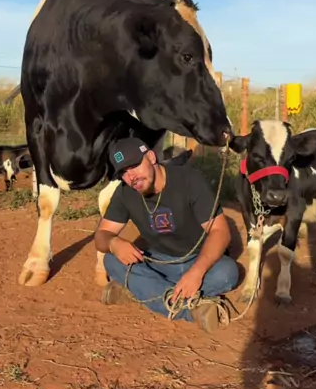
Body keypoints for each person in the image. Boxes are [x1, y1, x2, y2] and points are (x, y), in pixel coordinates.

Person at [94, 137, 240, 332]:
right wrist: (113, 243)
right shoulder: (124, 192)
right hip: (158, 262)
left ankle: (140, 292)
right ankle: (190, 311)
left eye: (134, 166)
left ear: (151, 157)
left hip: (198, 259)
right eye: (123, 172)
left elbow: (220, 232)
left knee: (227, 273)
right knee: (111, 260)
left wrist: (197, 272)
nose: (131, 177)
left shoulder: (189, 179)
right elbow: (101, 236)